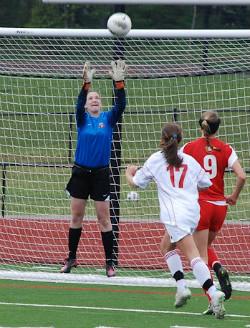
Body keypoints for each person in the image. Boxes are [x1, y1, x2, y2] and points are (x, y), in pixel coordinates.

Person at [126, 122, 226, 319]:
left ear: (163, 139)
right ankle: (181, 287)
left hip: (175, 215)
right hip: (192, 212)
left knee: (193, 255)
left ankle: (214, 294)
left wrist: (129, 173)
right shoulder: (189, 160)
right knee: (166, 247)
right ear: (179, 140)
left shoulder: (156, 159)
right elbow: (205, 184)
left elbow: (136, 183)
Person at [161, 110, 246, 315]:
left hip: (201, 205)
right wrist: (233, 196)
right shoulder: (226, 148)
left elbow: (176, 166)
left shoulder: (190, 147)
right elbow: (242, 176)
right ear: (218, 127)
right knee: (204, 248)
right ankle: (218, 267)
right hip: (220, 207)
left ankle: (213, 300)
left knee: (198, 257)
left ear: (201, 126)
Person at [60, 59, 127, 277]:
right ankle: (71, 258)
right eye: (91, 98)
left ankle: (109, 263)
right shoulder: (82, 118)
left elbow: (121, 106)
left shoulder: (108, 118)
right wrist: (85, 85)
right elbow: (78, 105)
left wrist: (119, 84)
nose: (95, 100)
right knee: (76, 216)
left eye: (97, 98)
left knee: (103, 219)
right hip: (80, 173)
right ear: (87, 104)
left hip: (100, 174)